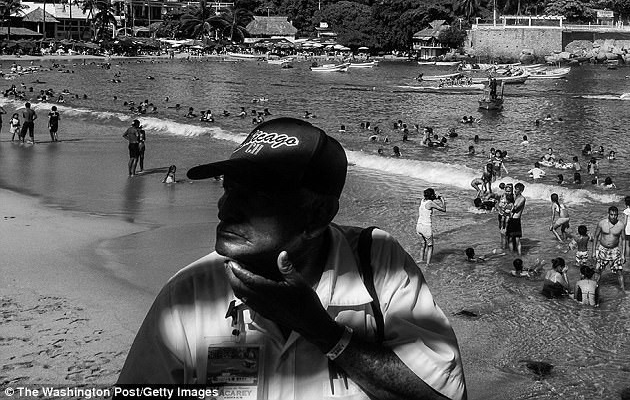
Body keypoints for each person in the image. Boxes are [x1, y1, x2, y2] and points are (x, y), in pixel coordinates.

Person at [118, 117, 466, 399]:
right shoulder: (188, 295)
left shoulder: (378, 267)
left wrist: (321, 330)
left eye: (257, 196)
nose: (227, 207)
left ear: (318, 214)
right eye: (229, 188)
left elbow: (446, 394)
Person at [593, 206, 627, 290]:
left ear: (617, 215)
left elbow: (623, 240)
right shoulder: (602, 223)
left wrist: (623, 255)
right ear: (608, 214)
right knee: (598, 271)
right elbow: (596, 237)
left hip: (614, 250)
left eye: (615, 215)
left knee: (619, 271)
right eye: (611, 215)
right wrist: (593, 252)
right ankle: (594, 288)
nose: (613, 217)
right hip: (603, 249)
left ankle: (623, 290)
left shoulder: (621, 225)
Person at [416, 188, 446, 266]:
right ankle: (428, 264)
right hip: (426, 227)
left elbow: (430, 197)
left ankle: (420, 259)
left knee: (423, 244)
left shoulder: (422, 200)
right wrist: (442, 199)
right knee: (430, 246)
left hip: (419, 226)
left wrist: (436, 197)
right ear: (432, 195)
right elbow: (443, 209)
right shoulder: (431, 203)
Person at [506, 183, 526, 255]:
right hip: (511, 219)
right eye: (515, 189)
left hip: (516, 220)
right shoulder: (515, 197)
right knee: (510, 238)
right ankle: (512, 254)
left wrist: (508, 207)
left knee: (517, 239)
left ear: (521, 191)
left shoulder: (522, 198)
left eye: (517, 189)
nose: (515, 191)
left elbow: (515, 208)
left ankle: (519, 254)